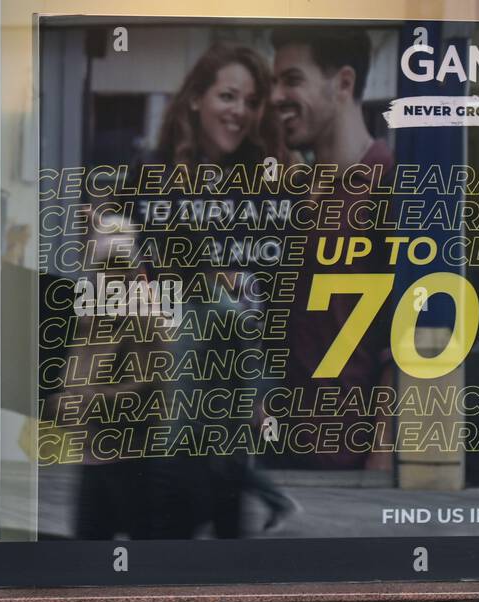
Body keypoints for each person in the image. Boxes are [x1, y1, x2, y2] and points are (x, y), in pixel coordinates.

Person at [131, 43, 298, 537]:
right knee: (167, 520)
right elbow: (131, 277)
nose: (240, 112)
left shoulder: (264, 182)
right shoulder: (152, 177)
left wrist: (261, 390)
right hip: (169, 378)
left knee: (228, 517)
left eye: (250, 102)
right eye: (228, 96)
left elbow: (272, 290)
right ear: (196, 99)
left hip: (235, 379)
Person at [269, 26, 397, 471]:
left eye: (292, 80)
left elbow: (403, 350)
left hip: (346, 466)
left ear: (343, 83)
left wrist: (377, 472)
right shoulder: (296, 194)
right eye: (274, 83)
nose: (276, 96)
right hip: (283, 457)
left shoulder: (388, 184)